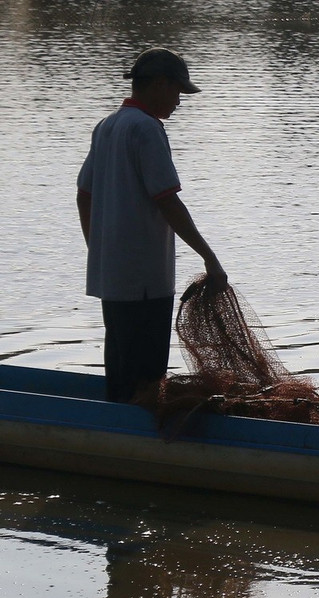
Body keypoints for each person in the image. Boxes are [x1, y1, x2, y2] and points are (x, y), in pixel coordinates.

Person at [77, 47, 227, 404]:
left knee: (121, 366)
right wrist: (210, 258)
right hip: (146, 278)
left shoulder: (108, 125)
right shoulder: (146, 128)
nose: (179, 101)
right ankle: (141, 448)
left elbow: (84, 194)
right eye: (177, 92)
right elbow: (167, 199)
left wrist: (98, 248)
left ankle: (114, 436)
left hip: (112, 275)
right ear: (159, 84)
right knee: (147, 376)